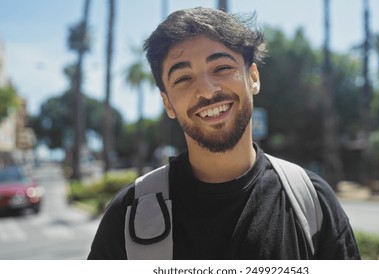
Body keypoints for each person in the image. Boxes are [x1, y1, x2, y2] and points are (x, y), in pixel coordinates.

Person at [87, 6, 361, 260]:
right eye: (183, 79)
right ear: (168, 103)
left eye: (221, 68)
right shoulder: (126, 216)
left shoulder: (311, 202)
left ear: (253, 78)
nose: (207, 90)